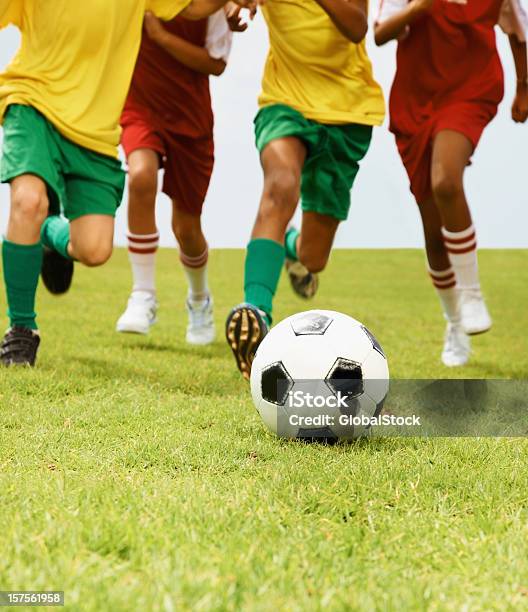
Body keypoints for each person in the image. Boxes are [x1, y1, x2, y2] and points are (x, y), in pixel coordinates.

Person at [0, 0, 253, 367]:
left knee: (95, 249)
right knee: (27, 200)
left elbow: (196, 8)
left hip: (94, 131)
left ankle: (45, 231)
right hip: (33, 100)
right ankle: (21, 331)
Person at [225, 0, 385, 380]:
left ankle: (291, 247)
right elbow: (237, 7)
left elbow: (356, 25)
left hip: (347, 113)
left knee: (314, 258)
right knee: (280, 185)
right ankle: (257, 312)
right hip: (285, 102)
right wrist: (236, 11)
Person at [375, 0, 528, 367]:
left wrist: (523, 86)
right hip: (414, 102)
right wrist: (418, 7)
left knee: (446, 181)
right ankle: (455, 321)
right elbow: (381, 33)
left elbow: (518, 33)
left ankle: (472, 294)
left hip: (470, 91)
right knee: (432, 228)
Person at [115, 9, 235, 345]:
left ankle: (199, 299)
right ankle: (142, 294)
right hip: (140, 107)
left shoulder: (210, 7)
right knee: (140, 176)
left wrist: (162, 36)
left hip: (190, 119)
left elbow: (216, 63)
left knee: (186, 228)